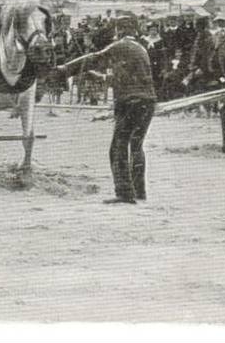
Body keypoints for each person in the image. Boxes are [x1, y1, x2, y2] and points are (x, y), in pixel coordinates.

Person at [56, 17, 156, 205]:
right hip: (147, 101)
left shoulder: (121, 46)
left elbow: (94, 58)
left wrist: (65, 70)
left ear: (120, 30)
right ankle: (139, 191)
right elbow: (125, 77)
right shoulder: (140, 48)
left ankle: (124, 193)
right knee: (136, 146)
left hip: (129, 102)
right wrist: (101, 77)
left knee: (118, 146)